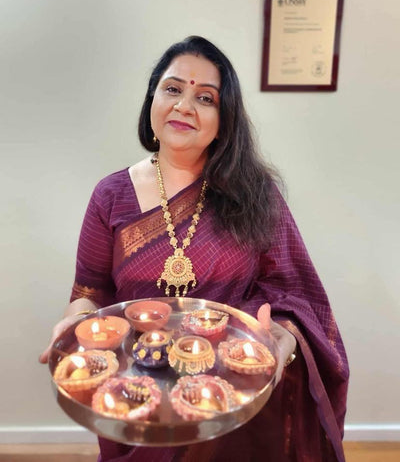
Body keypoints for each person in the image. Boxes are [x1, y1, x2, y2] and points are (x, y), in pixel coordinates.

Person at [40, 36, 349, 461]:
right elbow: (89, 292)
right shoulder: (110, 196)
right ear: (152, 100)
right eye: (172, 89)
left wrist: (283, 338)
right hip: (136, 395)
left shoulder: (255, 193)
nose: (184, 106)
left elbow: (295, 293)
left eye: (205, 98)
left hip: (230, 401)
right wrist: (74, 323)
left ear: (224, 119)